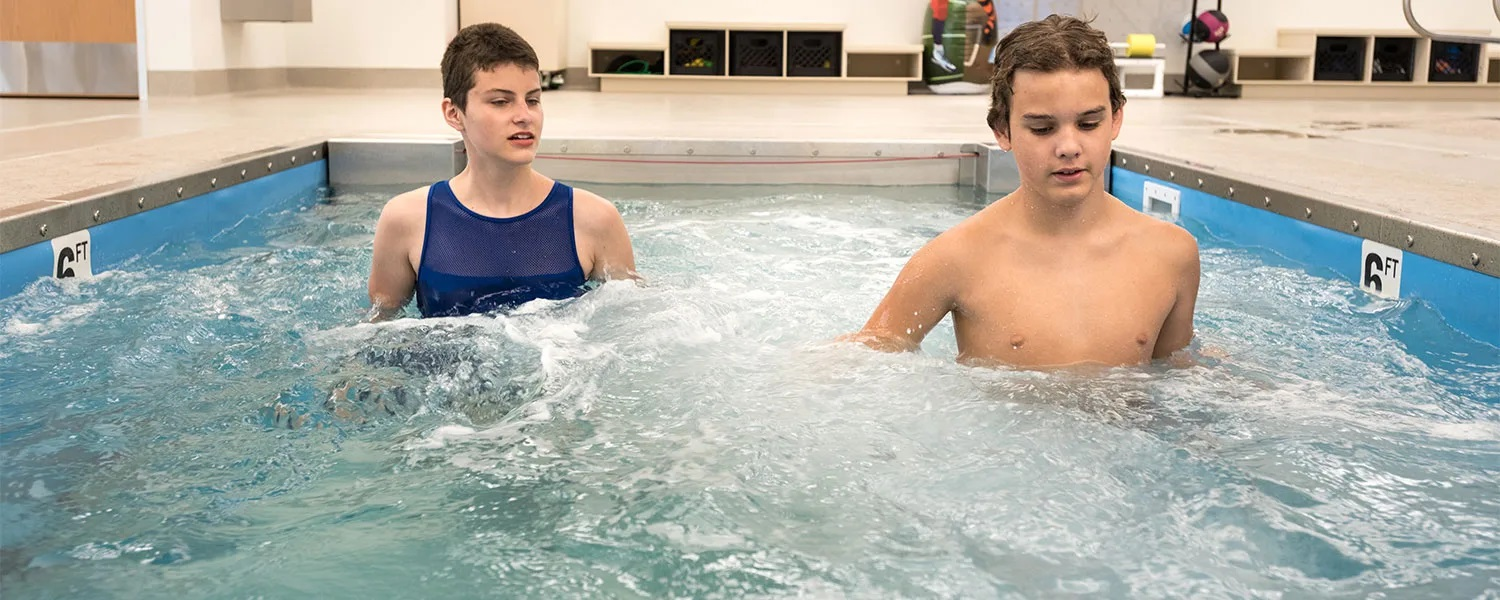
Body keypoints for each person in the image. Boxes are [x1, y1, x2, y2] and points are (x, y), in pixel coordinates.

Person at [845, 14, 1200, 369]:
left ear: (1116, 119)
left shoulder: (1171, 254)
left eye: (1089, 124)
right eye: (1043, 129)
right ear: (1003, 130)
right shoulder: (956, 259)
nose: (1069, 147)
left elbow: (1176, 372)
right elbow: (863, 358)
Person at [367, 23, 638, 321]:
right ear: (454, 113)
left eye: (532, 100)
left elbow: (627, 326)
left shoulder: (594, 219)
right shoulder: (407, 220)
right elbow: (381, 328)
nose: (524, 116)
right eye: (500, 102)